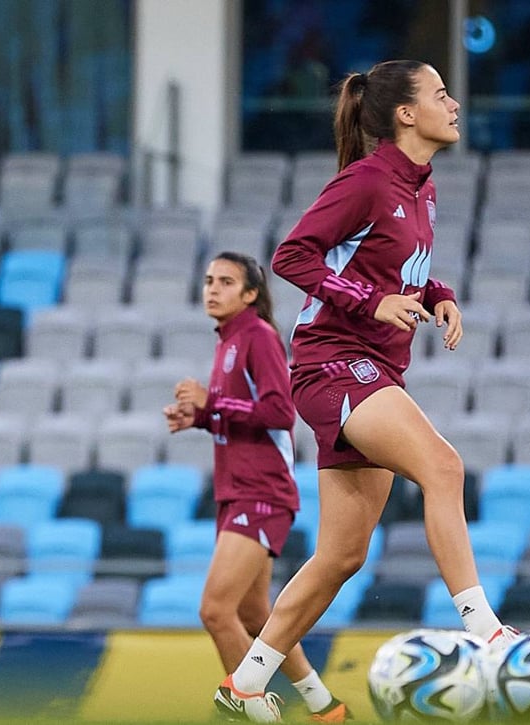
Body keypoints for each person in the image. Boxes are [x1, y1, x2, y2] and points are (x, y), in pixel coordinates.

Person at [215, 60, 515, 723]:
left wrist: (439, 293)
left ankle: (245, 685)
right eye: (441, 94)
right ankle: (486, 631)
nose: (454, 104)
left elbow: (396, 267)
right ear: (406, 114)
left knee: (342, 555)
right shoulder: (367, 180)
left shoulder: (423, 188)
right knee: (444, 467)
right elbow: (293, 255)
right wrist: (372, 302)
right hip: (333, 362)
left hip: (374, 365)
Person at [165, 252, 348, 722]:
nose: (212, 289)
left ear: (250, 294)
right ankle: (324, 707)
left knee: (215, 611)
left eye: (226, 282)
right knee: (254, 616)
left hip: (260, 491)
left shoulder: (258, 336)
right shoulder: (228, 340)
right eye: (209, 280)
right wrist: (200, 417)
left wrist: (212, 402)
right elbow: (244, 415)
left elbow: (280, 412)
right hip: (237, 491)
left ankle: (251, 709)